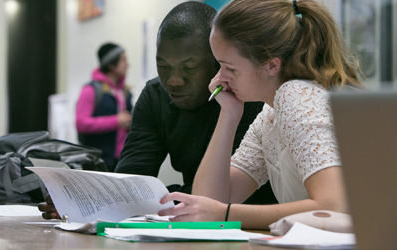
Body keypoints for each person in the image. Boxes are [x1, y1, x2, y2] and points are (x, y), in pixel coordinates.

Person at [39, 1, 277, 220]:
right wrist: (87, 205)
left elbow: (227, 199)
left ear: (218, 63)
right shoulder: (155, 96)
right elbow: (130, 181)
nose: (173, 80)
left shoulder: (249, 99)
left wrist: (158, 199)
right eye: (163, 65)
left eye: (189, 67)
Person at [158, 0, 363, 229]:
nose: (220, 78)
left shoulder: (295, 95)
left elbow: (333, 206)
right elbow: (208, 201)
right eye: (219, 65)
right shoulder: (270, 113)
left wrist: (225, 215)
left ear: (271, 66)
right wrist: (229, 113)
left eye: (230, 68)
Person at [76, 43, 132, 172]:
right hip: (98, 163)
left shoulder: (124, 91)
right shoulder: (91, 90)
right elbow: (81, 123)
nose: (127, 64)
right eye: (123, 60)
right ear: (111, 65)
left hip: (121, 161)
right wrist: (116, 121)